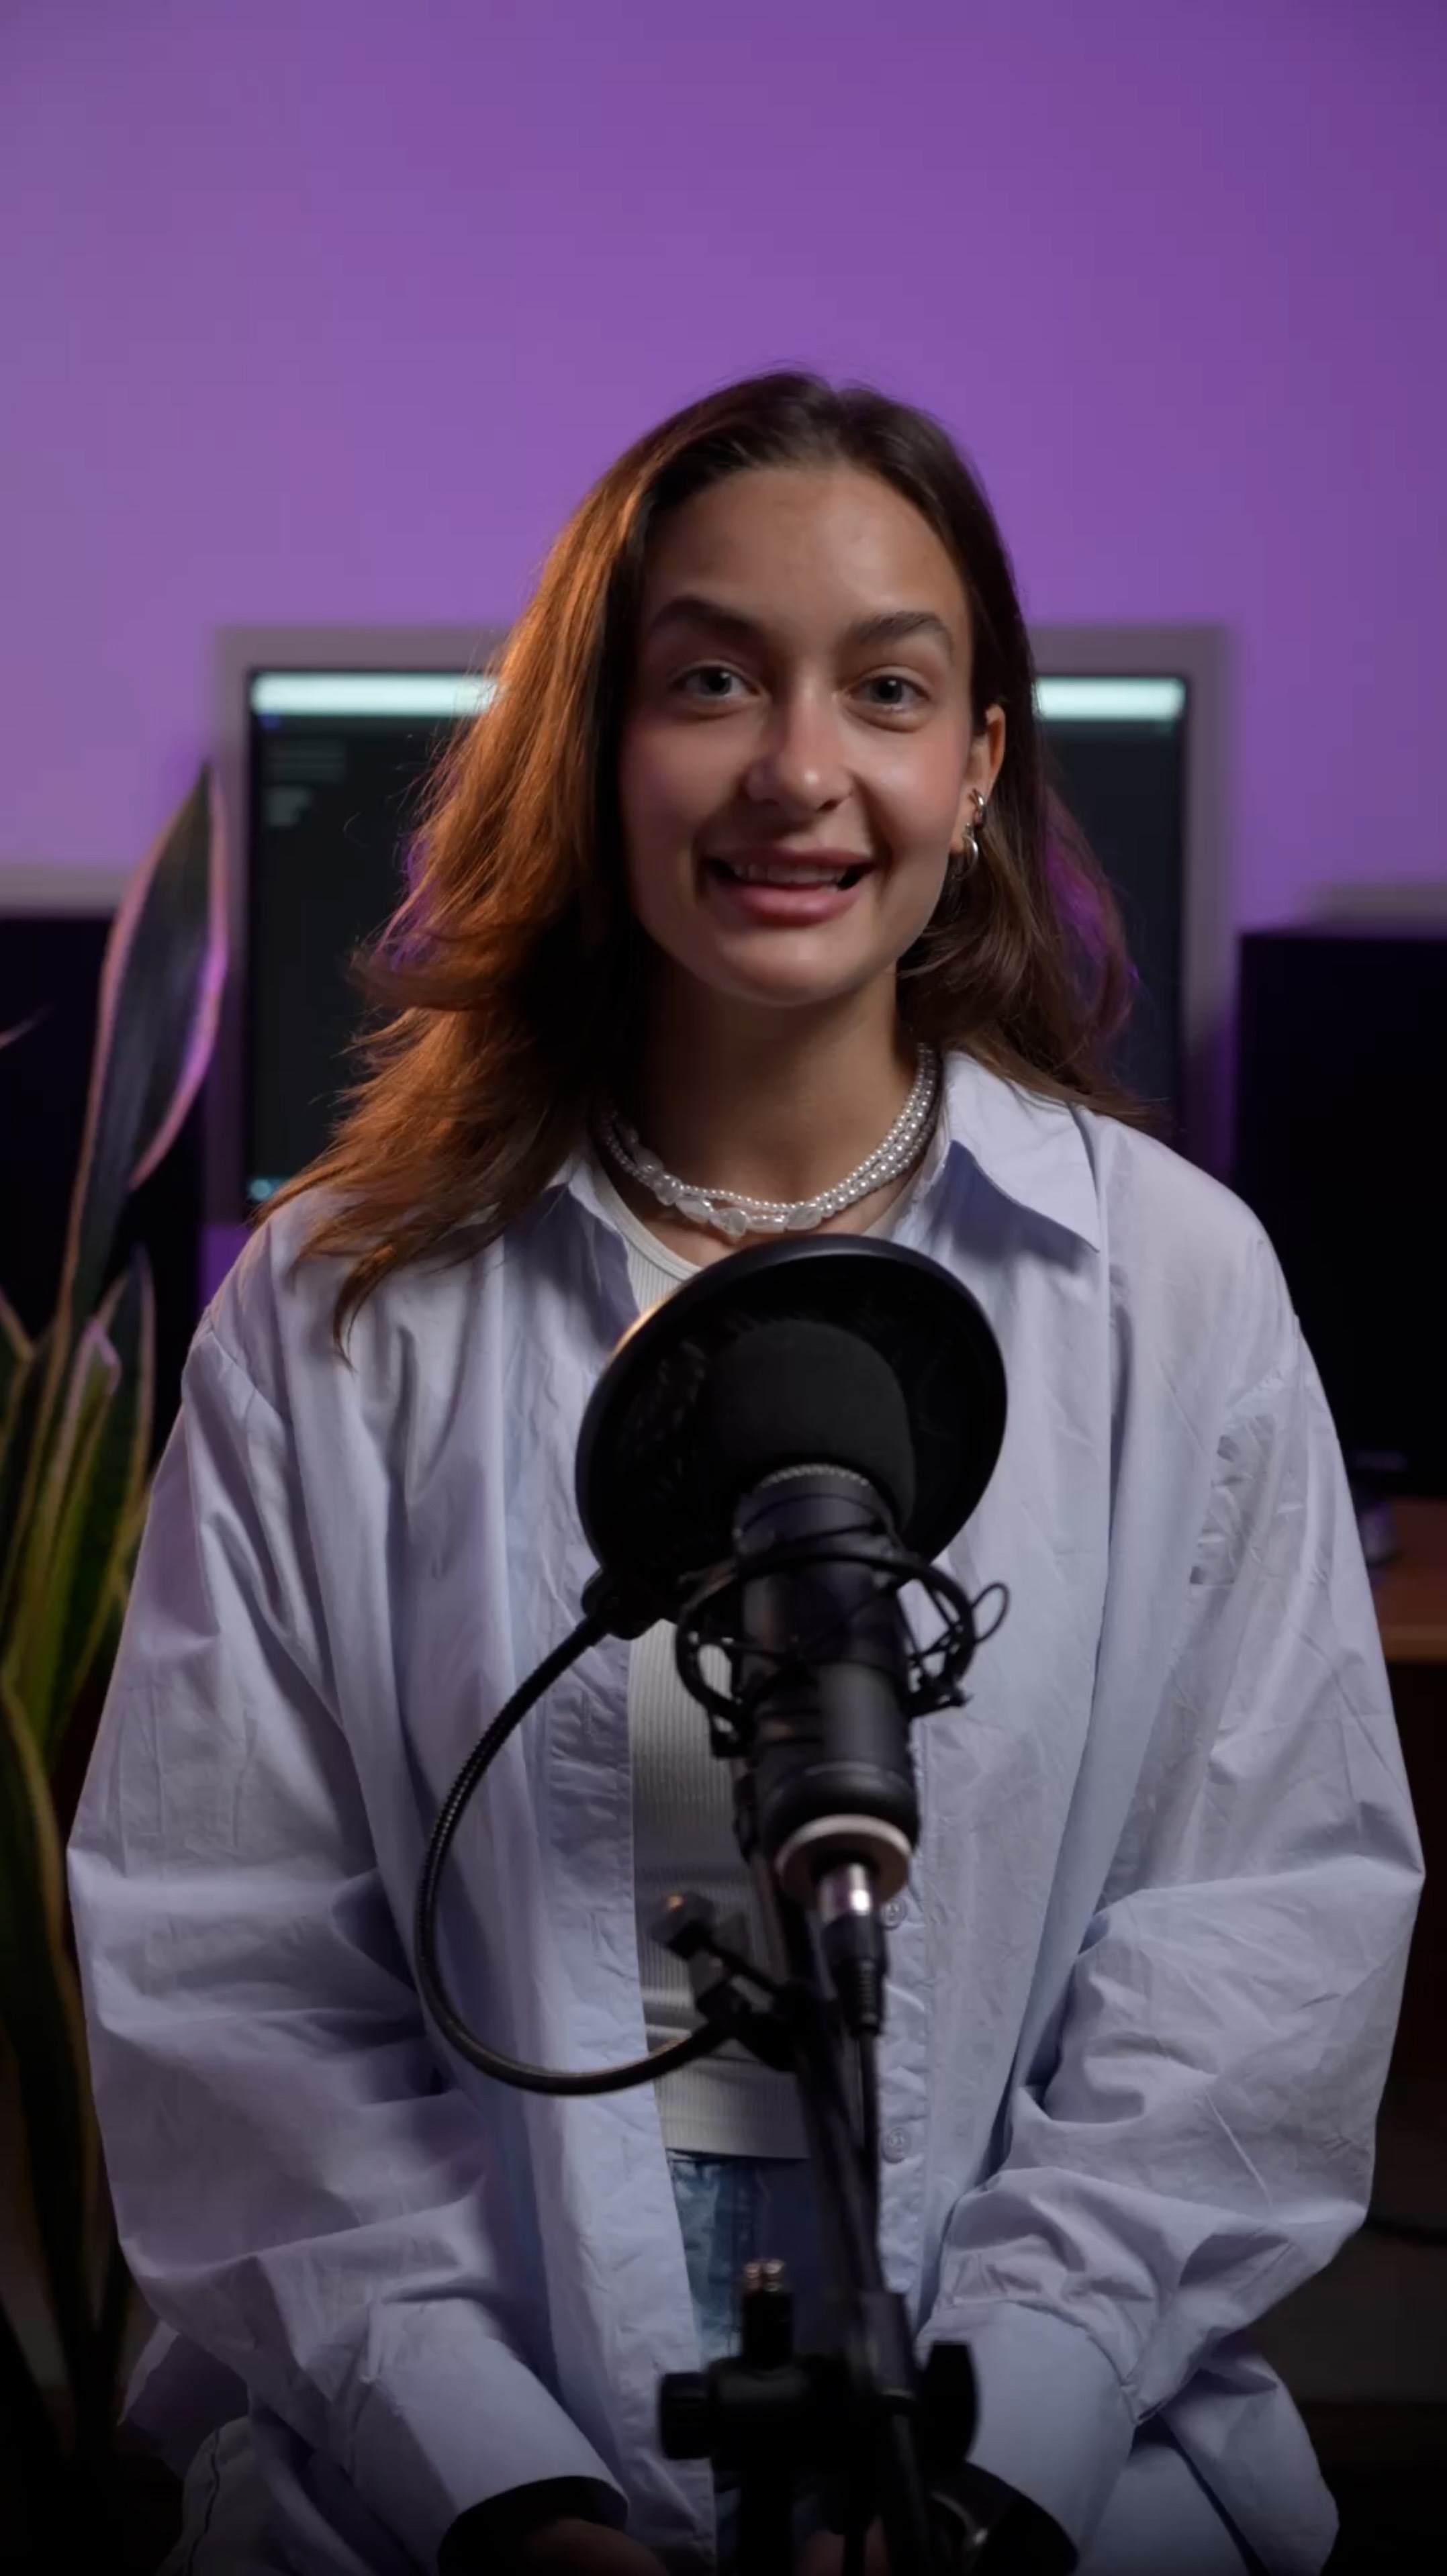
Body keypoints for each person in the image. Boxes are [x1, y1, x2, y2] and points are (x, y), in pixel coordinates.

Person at [69, 373, 1420, 2576]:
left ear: (974, 767)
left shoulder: (1171, 1288)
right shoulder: (338, 1308)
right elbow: (235, 1986)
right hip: (446, 2479)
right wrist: (502, 2491)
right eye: (709, 681)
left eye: (884, 688)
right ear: (595, 748)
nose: (799, 769)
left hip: (1046, 2480)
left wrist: (987, 2459)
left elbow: (1254, 1941)